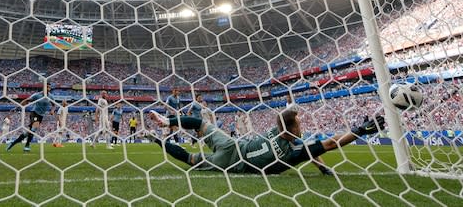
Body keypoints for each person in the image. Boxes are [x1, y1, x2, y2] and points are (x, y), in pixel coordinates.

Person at [148, 109, 385, 174]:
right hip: (232, 164)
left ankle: (164, 122)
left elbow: (313, 150)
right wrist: (360, 131)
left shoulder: (278, 129)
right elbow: (330, 144)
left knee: (200, 123)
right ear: (292, 129)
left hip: (234, 146)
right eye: (299, 125)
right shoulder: (294, 152)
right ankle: (158, 141)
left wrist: (321, 166)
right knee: (190, 159)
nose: (301, 127)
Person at [286, 94, 333, 175]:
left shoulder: (293, 106)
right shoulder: (287, 106)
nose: (288, 98)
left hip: (294, 135)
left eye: (289, 96)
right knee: (307, 151)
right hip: (290, 134)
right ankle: (324, 169)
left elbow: (295, 117)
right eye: (287, 97)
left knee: (309, 150)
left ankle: (324, 169)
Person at [7, 84, 55, 152]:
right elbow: (26, 100)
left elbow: (54, 105)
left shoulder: (50, 96)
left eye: (49, 87)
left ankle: (12, 143)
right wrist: (17, 108)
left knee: (28, 133)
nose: (48, 88)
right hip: (34, 113)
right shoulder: (37, 95)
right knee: (33, 129)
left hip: (41, 116)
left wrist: (52, 110)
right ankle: (27, 146)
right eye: (47, 87)